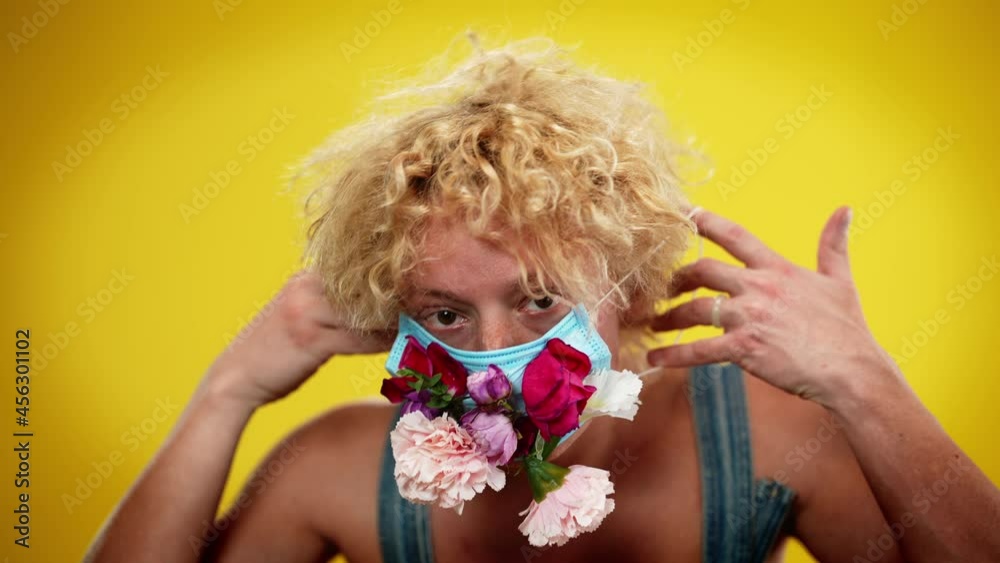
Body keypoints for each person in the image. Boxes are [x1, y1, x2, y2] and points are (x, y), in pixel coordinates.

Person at [84, 38, 1000, 563]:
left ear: (630, 289)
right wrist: (228, 392)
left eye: (538, 300)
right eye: (446, 313)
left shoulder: (765, 432)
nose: (493, 360)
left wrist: (863, 382)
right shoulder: (339, 467)